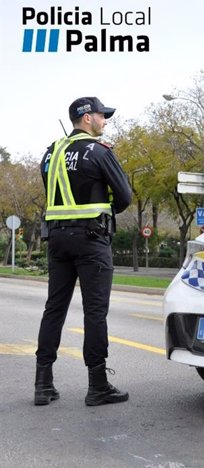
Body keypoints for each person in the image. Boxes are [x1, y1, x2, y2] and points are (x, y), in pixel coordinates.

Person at [34, 97, 132, 407]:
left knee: (54, 309)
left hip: (58, 240)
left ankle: (43, 384)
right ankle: (98, 385)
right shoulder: (100, 152)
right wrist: (104, 215)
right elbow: (125, 196)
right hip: (91, 240)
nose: (105, 121)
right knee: (95, 311)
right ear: (87, 118)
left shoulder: (51, 153)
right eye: (102, 116)